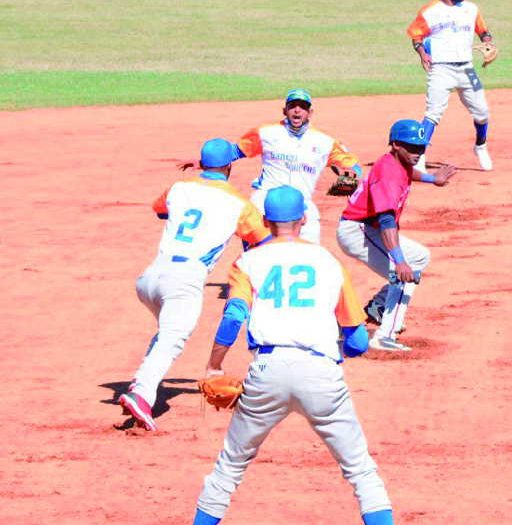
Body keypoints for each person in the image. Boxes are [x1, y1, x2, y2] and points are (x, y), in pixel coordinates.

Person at [190, 186, 394, 525]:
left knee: (228, 468)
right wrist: (330, 349)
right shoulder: (328, 261)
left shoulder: (247, 261)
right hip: (321, 373)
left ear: (267, 221)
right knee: (360, 470)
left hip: (267, 372)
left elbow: (234, 317)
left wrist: (214, 365)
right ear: (302, 220)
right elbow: (357, 341)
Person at [120, 139, 271, 431]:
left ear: (202, 164)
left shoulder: (179, 187)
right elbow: (262, 241)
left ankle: (142, 382)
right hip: (184, 280)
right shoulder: (239, 204)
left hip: (151, 277)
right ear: (229, 165)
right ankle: (141, 393)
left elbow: (161, 210)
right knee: (173, 336)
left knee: (167, 332)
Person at [179, 89, 363, 244]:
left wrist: (343, 189)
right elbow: (237, 151)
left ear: (310, 113)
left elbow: (355, 168)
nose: (297, 111)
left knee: (310, 252)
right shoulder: (266, 133)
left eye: (303, 107)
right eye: (292, 107)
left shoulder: (325, 143)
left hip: (302, 203)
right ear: (285, 110)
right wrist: (206, 163)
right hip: (264, 199)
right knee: (259, 248)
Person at [336, 119, 456, 352]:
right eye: (411, 147)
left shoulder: (396, 162)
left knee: (420, 256)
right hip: (358, 230)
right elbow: (386, 220)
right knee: (404, 274)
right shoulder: (388, 173)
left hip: (364, 229)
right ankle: (385, 335)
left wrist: (433, 178)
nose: (417, 152)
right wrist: (399, 260)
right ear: (395, 145)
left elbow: (409, 172)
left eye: (421, 147)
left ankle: (378, 307)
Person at [407, 0, 495, 172]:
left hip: (468, 69)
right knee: (433, 113)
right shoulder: (429, 11)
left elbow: (484, 32)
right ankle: (420, 155)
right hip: (440, 69)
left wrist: (488, 42)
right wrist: (422, 53)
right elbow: (416, 36)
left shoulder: (471, 9)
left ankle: (480, 146)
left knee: (482, 112)